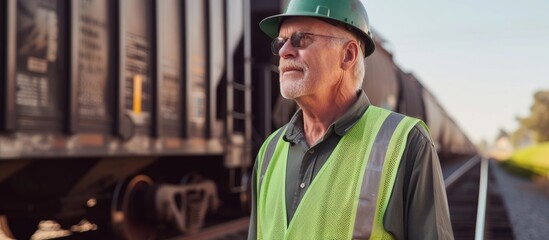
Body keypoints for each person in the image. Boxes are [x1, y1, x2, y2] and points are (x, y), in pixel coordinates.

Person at [247, 0, 454, 239]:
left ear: (348, 55)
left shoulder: (407, 144)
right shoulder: (269, 152)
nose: (284, 52)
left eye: (301, 39)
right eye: (280, 43)